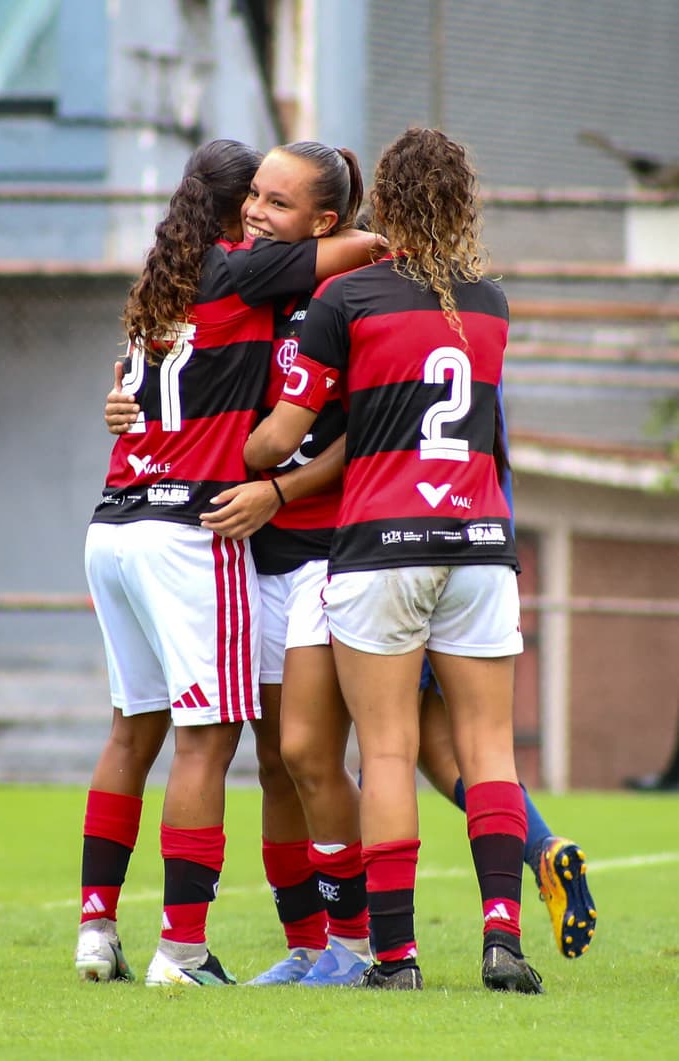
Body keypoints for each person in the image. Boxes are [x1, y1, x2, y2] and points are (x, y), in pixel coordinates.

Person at [243, 127, 544, 993]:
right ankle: (500, 937)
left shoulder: (348, 298)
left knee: (384, 752)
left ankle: (396, 956)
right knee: (492, 750)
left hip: (381, 547)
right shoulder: (490, 300)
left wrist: (238, 443)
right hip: (482, 546)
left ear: (383, 201)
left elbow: (279, 439)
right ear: (464, 200)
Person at [75, 137, 381, 988]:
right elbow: (362, 246)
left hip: (118, 522)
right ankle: (185, 949)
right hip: (189, 527)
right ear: (232, 208)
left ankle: (97, 928)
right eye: (256, 197)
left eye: (277, 202)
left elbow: (143, 391)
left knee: (138, 731)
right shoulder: (243, 269)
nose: (259, 214)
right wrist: (384, 241)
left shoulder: (161, 280)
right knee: (210, 742)